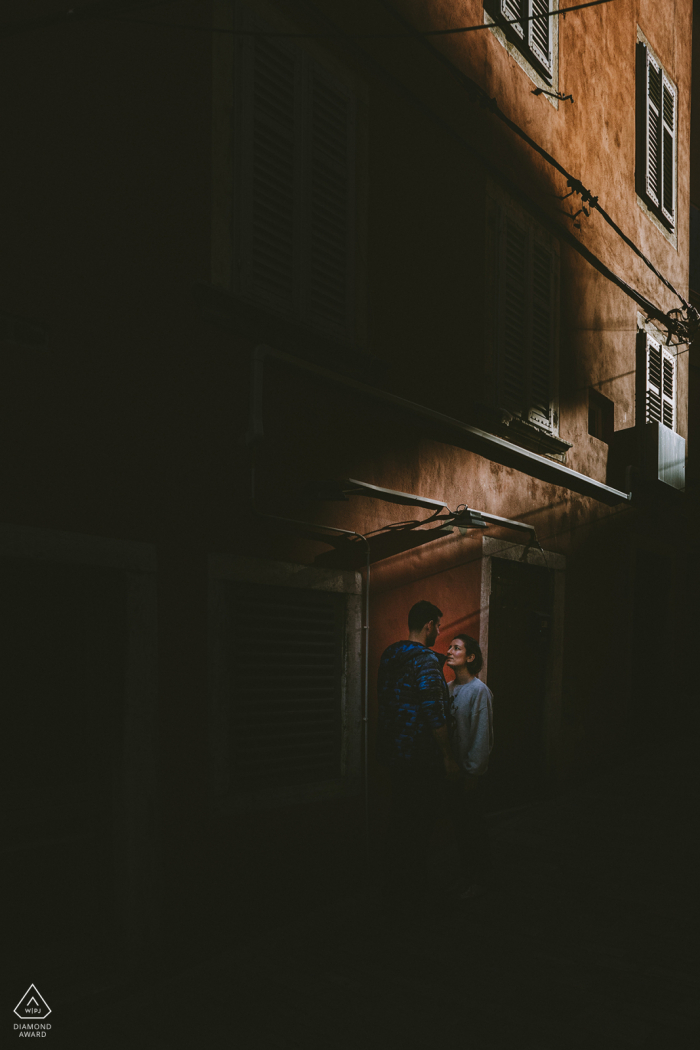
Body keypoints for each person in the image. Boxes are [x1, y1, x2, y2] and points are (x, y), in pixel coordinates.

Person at [377, 600, 461, 903]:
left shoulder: (390, 655)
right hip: (421, 759)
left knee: (399, 822)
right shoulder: (425, 661)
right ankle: (413, 895)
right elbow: (434, 712)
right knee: (419, 827)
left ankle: (393, 888)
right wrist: (447, 756)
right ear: (428, 626)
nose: (439, 631)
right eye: (438, 626)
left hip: (395, 756)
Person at [444, 633, 494, 899]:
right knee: (461, 829)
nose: (449, 650)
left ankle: (481, 880)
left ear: (470, 657)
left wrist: (473, 772)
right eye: (450, 646)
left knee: (474, 828)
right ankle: (466, 877)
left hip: (470, 775)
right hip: (452, 773)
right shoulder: (448, 688)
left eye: (457, 648)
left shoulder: (479, 691)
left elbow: (481, 735)